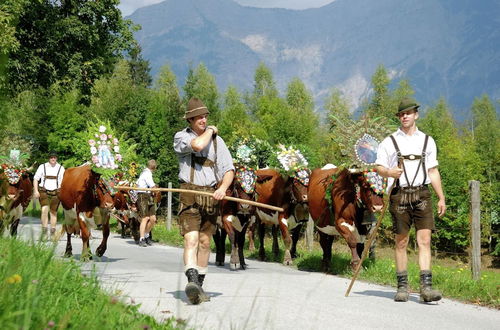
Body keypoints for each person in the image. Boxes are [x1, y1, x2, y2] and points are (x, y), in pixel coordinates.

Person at [375, 98, 446, 303]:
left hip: (422, 194)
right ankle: (403, 287)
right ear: (399, 117)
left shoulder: (427, 141)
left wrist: (441, 197)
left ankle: (426, 289)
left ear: (416, 114)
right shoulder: (389, 141)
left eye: (408, 113)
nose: (404, 116)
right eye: (401, 114)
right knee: (401, 241)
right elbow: (378, 167)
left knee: (425, 240)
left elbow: (432, 170)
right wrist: (389, 171)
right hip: (399, 194)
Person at [174, 97, 235, 304]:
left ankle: (198, 285)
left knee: (205, 241)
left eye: (205, 116)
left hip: (211, 194)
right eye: (198, 117)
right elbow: (198, 145)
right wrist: (211, 130)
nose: (203, 120)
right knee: (191, 239)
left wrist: (223, 188)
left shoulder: (219, 143)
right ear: (190, 120)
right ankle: (191, 281)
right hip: (189, 193)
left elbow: (228, 170)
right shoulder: (181, 137)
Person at [33, 151, 65, 239]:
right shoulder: (42, 167)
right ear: (49, 158)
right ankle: (44, 232)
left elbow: (63, 182)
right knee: (44, 210)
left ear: (56, 158)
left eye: (54, 157)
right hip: (43, 191)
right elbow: (35, 179)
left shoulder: (61, 168)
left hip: (56, 192)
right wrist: (36, 191)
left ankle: (52, 232)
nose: (53, 159)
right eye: (51, 157)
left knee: (53, 212)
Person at [136, 159, 158, 247]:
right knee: (145, 218)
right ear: (154, 168)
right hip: (142, 195)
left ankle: (146, 235)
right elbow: (152, 186)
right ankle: (141, 239)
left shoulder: (147, 173)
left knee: (153, 219)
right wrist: (157, 189)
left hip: (148, 195)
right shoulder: (147, 173)